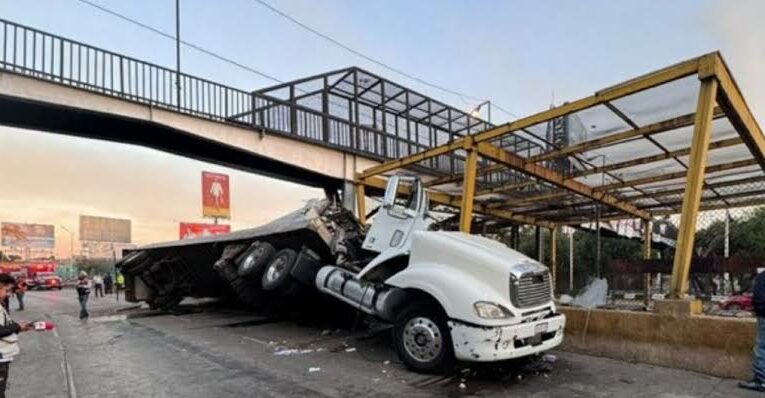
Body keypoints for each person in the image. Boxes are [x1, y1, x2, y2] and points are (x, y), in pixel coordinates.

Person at [0, 273, 33, 395]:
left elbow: (4, 325)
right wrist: (17, 326)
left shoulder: (1, 304)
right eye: (6, 290)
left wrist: (18, 328)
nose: (9, 294)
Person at [740, 270, 765, 392]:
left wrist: (759, 311)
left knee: (762, 347)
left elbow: (759, 297)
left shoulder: (762, 277)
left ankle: (761, 380)